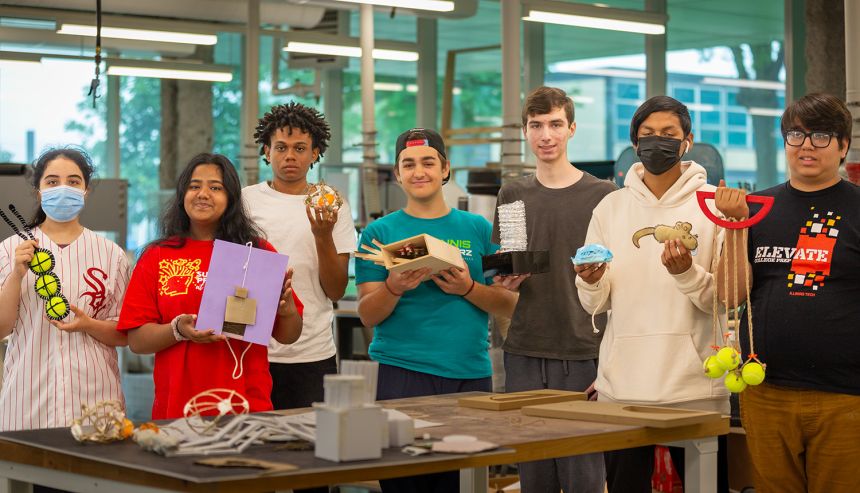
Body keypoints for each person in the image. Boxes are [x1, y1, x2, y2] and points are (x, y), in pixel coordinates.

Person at [574, 96, 729, 493]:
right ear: (634, 142)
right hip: (622, 390)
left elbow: (725, 301)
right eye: (647, 135)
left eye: (668, 134)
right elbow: (595, 304)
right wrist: (590, 280)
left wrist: (686, 274)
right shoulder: (610, 207)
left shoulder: (714, 206)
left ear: (687, 142)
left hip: (697, 389)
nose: (657, 142)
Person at [355, 128, 517, 493]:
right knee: (405, 482)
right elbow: (367, 314)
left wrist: (468, 288)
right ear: (398, 174)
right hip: (401, 373)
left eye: (428, 162)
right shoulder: (379, 233)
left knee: (462, 483)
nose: (419, 171)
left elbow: (509, 303)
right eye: (408, 164)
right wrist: (394, 287)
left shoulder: (479, 229)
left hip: (468, 375)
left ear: (446, 169)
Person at [715, 93, 860, 493]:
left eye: (821, 135)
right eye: (796, 135)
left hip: (846, 396)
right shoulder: (758, 206)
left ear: (844, 145)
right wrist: (735, 225)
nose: (806, 145)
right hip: (766, 391)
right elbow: (729, 295)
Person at [117, 153, 303, 420]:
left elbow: (289, 335)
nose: (203, 194)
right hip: (177, 408)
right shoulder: (157, 255)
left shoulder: (255, 252)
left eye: (215, 187)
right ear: (182, 195)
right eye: (194, 186)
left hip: (245, 404)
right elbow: (137, 341)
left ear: (230, 199)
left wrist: (287, 312)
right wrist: (178, 330)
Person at [493, 86, 614, 493]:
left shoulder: (604, 196)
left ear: (572, 129)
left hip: (584, 349)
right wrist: (507, 279)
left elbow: (619, 281)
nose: (546, 135)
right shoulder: (512, 193)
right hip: (526, 347)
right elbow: (509, 260)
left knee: (584, 472)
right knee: (535, 473)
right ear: (526, 132)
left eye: (555, 124)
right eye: (536, 125)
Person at [0, 147, 130, 431]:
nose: (63, 189)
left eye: (73, 181)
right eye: (52, 181)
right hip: (28, 399)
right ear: (38, 191)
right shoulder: (11, 250)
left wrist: (89, 325)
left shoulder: (111, 255)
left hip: (96, 399)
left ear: (86, 190)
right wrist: (17, 275)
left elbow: (125, 333)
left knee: (94, 472)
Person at [245, 102, 356, 411]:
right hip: (250, 349)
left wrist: (322, 235)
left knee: (309, 447)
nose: (289, 156)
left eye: (299, 148)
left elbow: (335, 291)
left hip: (312, 350)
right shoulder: (244, 201)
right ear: (266, 151)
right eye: (280, 147)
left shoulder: (333, 204)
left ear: (315, 153)